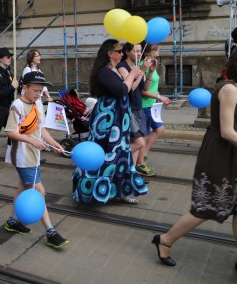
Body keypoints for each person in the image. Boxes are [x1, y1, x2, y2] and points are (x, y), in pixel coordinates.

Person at [153, 44, 237, 281]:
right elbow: (227, 131)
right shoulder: (228, 89)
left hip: (233, 152)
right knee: (208, 206)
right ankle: (165, 240)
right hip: (219, 152)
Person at [72, 39, 147, 205]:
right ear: (109, 53)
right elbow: (120, 91)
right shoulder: (104, 71)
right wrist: (132, 75)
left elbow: (128, 90)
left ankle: (120, 191)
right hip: (108, 120)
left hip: (119, 117)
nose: (122, 53)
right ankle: (95, 190)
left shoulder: (113, 70)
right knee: (107, 152)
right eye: (119, 51)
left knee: (120, 153)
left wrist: (138, 74)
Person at [3, 71, 68, 249]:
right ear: (24, 88)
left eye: (41, 91)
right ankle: (50, 232)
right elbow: (10, 132)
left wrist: (55, 143)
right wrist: (33, 141)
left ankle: (12, 221)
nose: (39, 94)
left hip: (35, 155)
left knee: (22, 187)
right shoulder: (16, 105)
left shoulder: (37, 103)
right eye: (35, 91)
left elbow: (40, 129)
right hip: (23, 157)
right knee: (39, 192)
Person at [116, 42, 152, 188]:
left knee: (137, 143)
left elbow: (144, 88)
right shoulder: (122, 66)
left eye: (139, 51)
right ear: (127, 52)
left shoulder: (137, 66)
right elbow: (130, 88)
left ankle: (132, 173)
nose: (138, 54)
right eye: (135, 51)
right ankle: (117, 161)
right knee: (137, 142)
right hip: (128, 108)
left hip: (138, 107)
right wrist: (140, 71)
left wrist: (149, 72)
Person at [139, 44, 171, 177]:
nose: (158, 50)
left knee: (159, 129)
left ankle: (142, 156)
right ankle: (140, 161)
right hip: (144, 104)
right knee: (148, 133)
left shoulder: (153, 64)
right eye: (155, 49)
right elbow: (142, 90)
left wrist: (157, 93)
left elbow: (152, 84)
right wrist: (160, 96)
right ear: (147, 52)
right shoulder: (143, 65)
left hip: (152, 104)